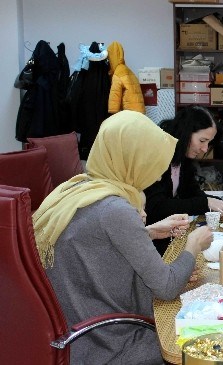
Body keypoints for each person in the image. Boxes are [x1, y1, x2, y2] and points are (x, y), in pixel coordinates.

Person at [32, 110, 213, 364]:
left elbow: (90, 244)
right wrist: (193, 245)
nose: (157, 173)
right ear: (132, 158)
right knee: (204, 343)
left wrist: (145, 233)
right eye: (150, 161)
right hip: (108, 343)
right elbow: (166, 287)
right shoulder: (116, 210)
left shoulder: (78, 187)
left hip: (73, 330)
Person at [144, 106, 223, 254]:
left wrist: (212, 202)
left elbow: (191, 192)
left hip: (168, 233)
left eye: (208, 143)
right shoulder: (157, 154)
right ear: (186, 133)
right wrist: (206, 202)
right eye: (202, 141)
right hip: (151, 238)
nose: (205, 149)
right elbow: (157, 207)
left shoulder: (182, 156)